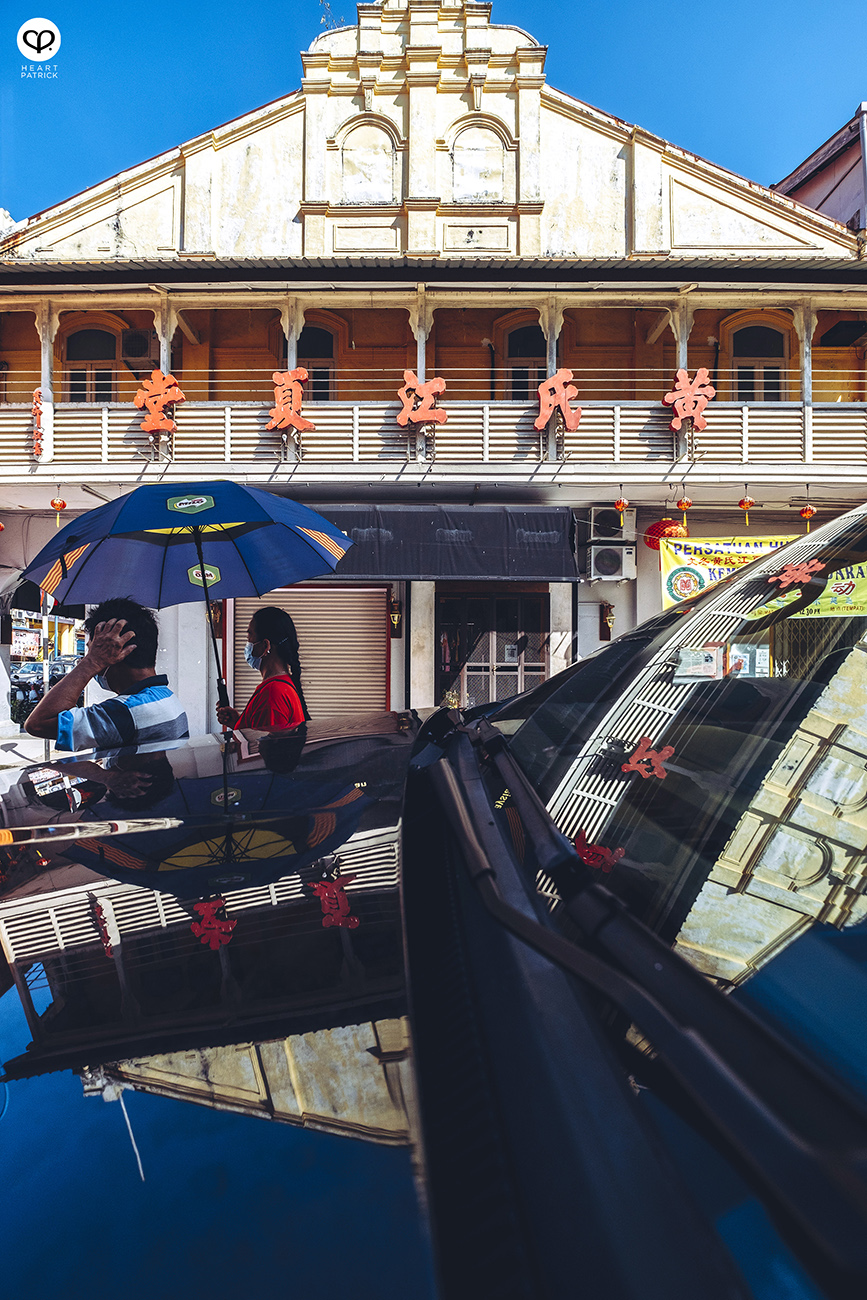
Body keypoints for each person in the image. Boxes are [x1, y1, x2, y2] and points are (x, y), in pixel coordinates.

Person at [25, 597, 189, 752]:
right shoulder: (166, 696)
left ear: (115, 653)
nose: (88, 657)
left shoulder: (126, 711)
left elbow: (38, 723)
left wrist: (92, 662)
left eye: (94, 650)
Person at [217, 606, 309, 731]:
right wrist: (238, 723)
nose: (247, 644)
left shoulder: (272, 694)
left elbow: (262, 749)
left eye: (250, 637)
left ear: (265, 645)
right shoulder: (283, 685)